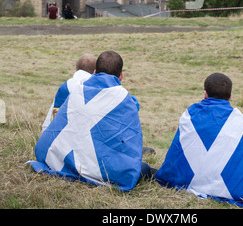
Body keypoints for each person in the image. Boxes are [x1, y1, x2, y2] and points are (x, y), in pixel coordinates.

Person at [28, 51, 152, 191]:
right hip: (98, 167)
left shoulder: (77, 91)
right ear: (121, 76)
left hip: (66, 158)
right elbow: (129, 142)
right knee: (142, 168)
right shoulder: (125, 100)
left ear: (94, 72)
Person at [155, 73, 243, 207]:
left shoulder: (190, 115)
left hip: (188, 181)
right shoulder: (242, 122)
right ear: (230, 97)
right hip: (231, 190)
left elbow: (176, 153)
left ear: (205, 94)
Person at [42, 53, 97, 131]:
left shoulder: (65, 87)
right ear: (95, 72)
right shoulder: (97, 89)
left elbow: (49, 122)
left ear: (76, 70)